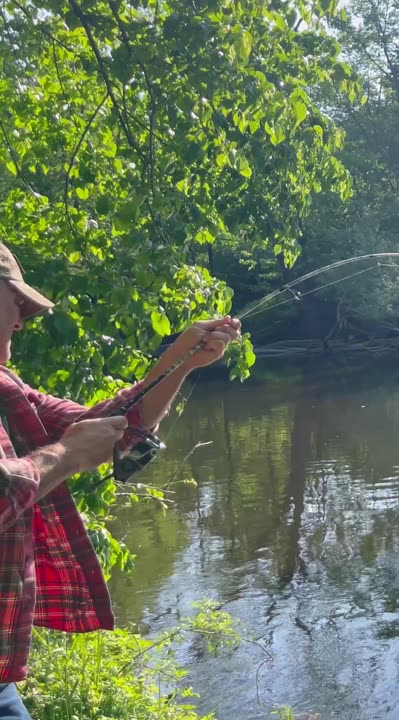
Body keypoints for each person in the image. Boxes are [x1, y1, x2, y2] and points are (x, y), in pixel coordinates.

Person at [0, 243, 240, 718]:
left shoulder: (6, 388)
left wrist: (178, 361)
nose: (22, 321)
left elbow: (116, 427)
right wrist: (67, 456)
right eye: (17, 303)